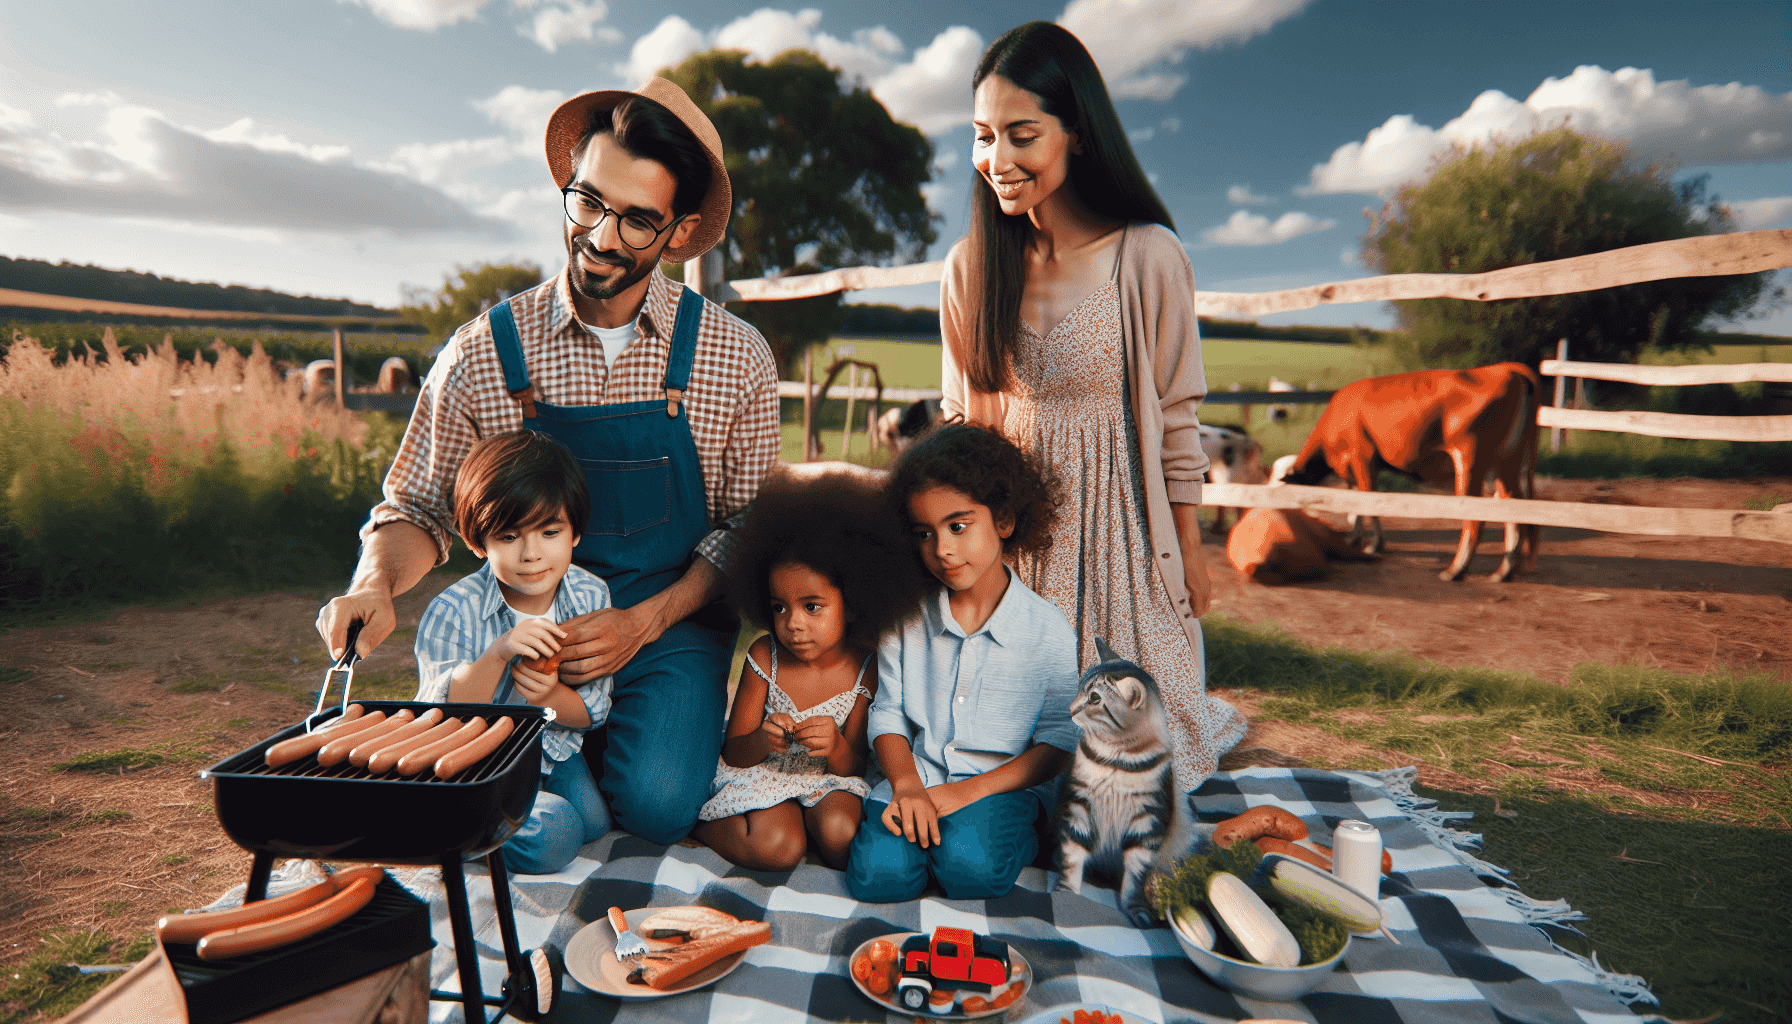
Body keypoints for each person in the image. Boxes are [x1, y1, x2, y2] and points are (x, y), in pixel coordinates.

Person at [316, 77, 780, 845]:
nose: (600, 239)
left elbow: (748, 526)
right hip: (518, 622)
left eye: (637, 222)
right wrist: (374, 586)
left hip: (666, 624)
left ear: (680, 229)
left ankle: (597, 753)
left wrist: (645, 621)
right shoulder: (483, 351)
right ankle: (565, 764)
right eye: (589, 201)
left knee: (660, 805)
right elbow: (418, 507)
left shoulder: (737, 358)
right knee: (531, 794)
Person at [940, 22, 1246, 795]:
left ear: (1076, 134)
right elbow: (966, 434)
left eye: (1021, 135)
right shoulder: (971, 269)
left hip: (1126, 542)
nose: (997, 161)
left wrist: (1189, 551)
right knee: (1016, 770)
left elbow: (1177, 416)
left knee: (1130, 778)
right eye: (983, 137)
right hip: (1021, 544)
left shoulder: (1147, 256)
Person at [847, 425, 1080, 903]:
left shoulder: (1048, 628)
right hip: (919, 778)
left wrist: (966, 795)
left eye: (958, 526)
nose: (943, 550)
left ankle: (1018, 836)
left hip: (999, 790)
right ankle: (934, 846)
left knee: (970, 870)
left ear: (1004, 520)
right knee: (877, 878)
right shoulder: (907, 618)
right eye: (924, 534)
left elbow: (1058, 741)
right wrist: (908, 786)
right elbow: (887, 712)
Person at [692, 472, 928, 872]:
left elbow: (852, 765)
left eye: (812, 607)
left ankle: (802, 825)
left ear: (851, 603)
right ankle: (704, 828)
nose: (793, 623)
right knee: (778, 849)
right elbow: (733, 752)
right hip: (765, 774)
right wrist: (763, 741)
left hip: (826, 781)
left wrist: (835, 746)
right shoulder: (767, 657)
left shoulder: (865, 669)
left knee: (842, 839)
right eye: (780, 607)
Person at [413, 432, 611, 874]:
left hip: (552, 749)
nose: (531, 554)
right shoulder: (453, 610)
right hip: (476, 762)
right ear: (478, 542)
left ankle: (492, 822)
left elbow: (592, 712)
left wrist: (550, 697)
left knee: (594, 823)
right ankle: (456, 819)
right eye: (508, 536)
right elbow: (440, 717)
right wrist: (498, 652)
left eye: (550, 531)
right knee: (555, 838)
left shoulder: (590, 595)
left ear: (575, 532)